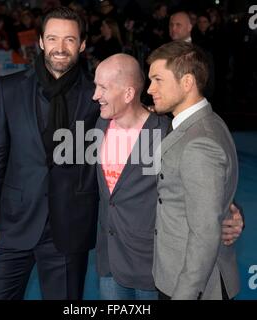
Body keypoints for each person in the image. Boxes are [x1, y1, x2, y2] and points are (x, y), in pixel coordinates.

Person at [92, 53, 243, 300]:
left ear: (128, 94)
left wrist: (234, 213)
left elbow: (204, 186)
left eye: (102, 87)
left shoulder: (167, 133)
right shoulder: (100, 123)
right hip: (108, 261)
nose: (95, 95)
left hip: (150, 267)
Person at [0, 6, 99, 300]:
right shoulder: (10, 89)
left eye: (69, 40)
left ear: (82, 45)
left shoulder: (97, 95)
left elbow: (136, 137)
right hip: (11, 225)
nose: (60, 48)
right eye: (53, 38)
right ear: (42, 42)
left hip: (69, 230)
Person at [147, 40, 240, 300]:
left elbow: (205, 234)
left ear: (187, 83)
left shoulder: (199, 143)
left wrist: (185, 294)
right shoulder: (207, 121)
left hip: (192, 286)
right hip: (181, 276)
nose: (150, 88)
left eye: (157, 80)